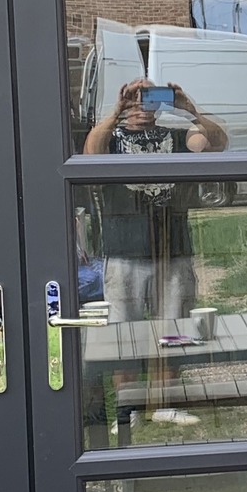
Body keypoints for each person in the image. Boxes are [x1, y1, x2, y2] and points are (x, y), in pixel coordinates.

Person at [82, 79, 228, 429]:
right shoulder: (111, 137)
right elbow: (90, 155)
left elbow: (217, 142)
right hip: (123, 252)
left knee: (173, 330)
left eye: (148, 97)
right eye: (133, 98)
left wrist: (188, 107)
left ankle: (165, 404)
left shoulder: (177, 137)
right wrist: (116, 113)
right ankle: (128, 410)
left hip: (172, 250)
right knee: (124, 336)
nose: (141, 104)